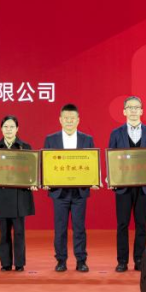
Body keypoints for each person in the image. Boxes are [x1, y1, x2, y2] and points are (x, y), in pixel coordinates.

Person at [107, 95, 146, 273]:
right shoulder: (116, 133)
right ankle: (122, 261)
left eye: (136, 108)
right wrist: (110, 178)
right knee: (122, 225)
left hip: (144, 187)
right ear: (124, 112)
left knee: (141, 224)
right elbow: (111, 158)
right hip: (123, 186)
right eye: (130, 108)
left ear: (141, 111)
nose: (133, 111)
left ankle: (139, 260)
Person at [42, 103, 98, 272]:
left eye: (72, 118)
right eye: (66, 118)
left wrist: (94, 179)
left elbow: (92, 163)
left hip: (80, 191)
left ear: (78, 120)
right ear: (60, 120)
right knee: (60, 228)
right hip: (59, 191)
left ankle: (81, 260)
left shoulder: (87, 139)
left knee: (79, 228)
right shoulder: (51, 139)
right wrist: (44, 180)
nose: (69, 121)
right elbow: (45, 163)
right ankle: (61, 260)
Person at [0, 115, 36, 272]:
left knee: (19, 232)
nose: (9, 130)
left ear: (17, 129)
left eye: (12, 127)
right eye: (6, 127)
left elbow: (32, 170)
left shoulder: (25, 147)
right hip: (2, 196)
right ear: (1, 129)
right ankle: (5, 263)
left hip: (20, 196)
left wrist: (33, 182)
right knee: (4, 232)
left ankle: (19, 263)